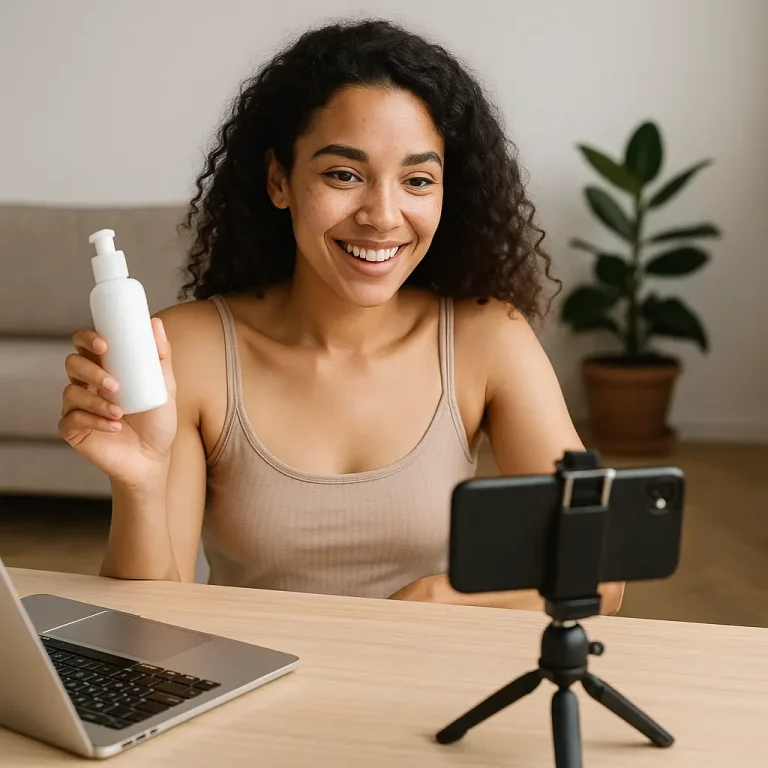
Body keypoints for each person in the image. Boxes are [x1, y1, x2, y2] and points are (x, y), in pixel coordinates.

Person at [58, 19, 623, 614]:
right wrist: (139, 485)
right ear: (280, 180)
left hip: (434, 686)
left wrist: (440, 598)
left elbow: (602, 574)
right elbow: (148, 627)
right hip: (256, 686)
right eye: (343, 174)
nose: (382, 215)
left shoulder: (488, 338)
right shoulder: (191, 348)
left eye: (417, 180)